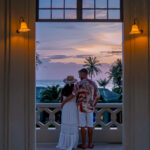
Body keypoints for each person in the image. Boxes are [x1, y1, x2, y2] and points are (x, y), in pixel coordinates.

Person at [61, 68, 100, 149]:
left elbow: (73, 95)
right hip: (90, 107)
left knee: (82, 126)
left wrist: (64, 102)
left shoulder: (78, 84)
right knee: (90, 126)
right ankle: (90, 144)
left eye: (79, 74)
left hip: (81, 107)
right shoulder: (93, 83)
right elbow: (97, 96)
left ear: (83, 74)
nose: (79, 76)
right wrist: (93, 104)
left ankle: (84, 144)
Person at [56, 76, 79, 150]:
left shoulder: (63, 89)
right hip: (73, 107)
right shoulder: (75, 90)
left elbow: (61, 99)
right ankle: (72, 144)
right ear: (73, 82)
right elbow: (76, 99)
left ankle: (64, 143)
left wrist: (63, 103)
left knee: (66, 123)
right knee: (73, 123)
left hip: (65, 108)